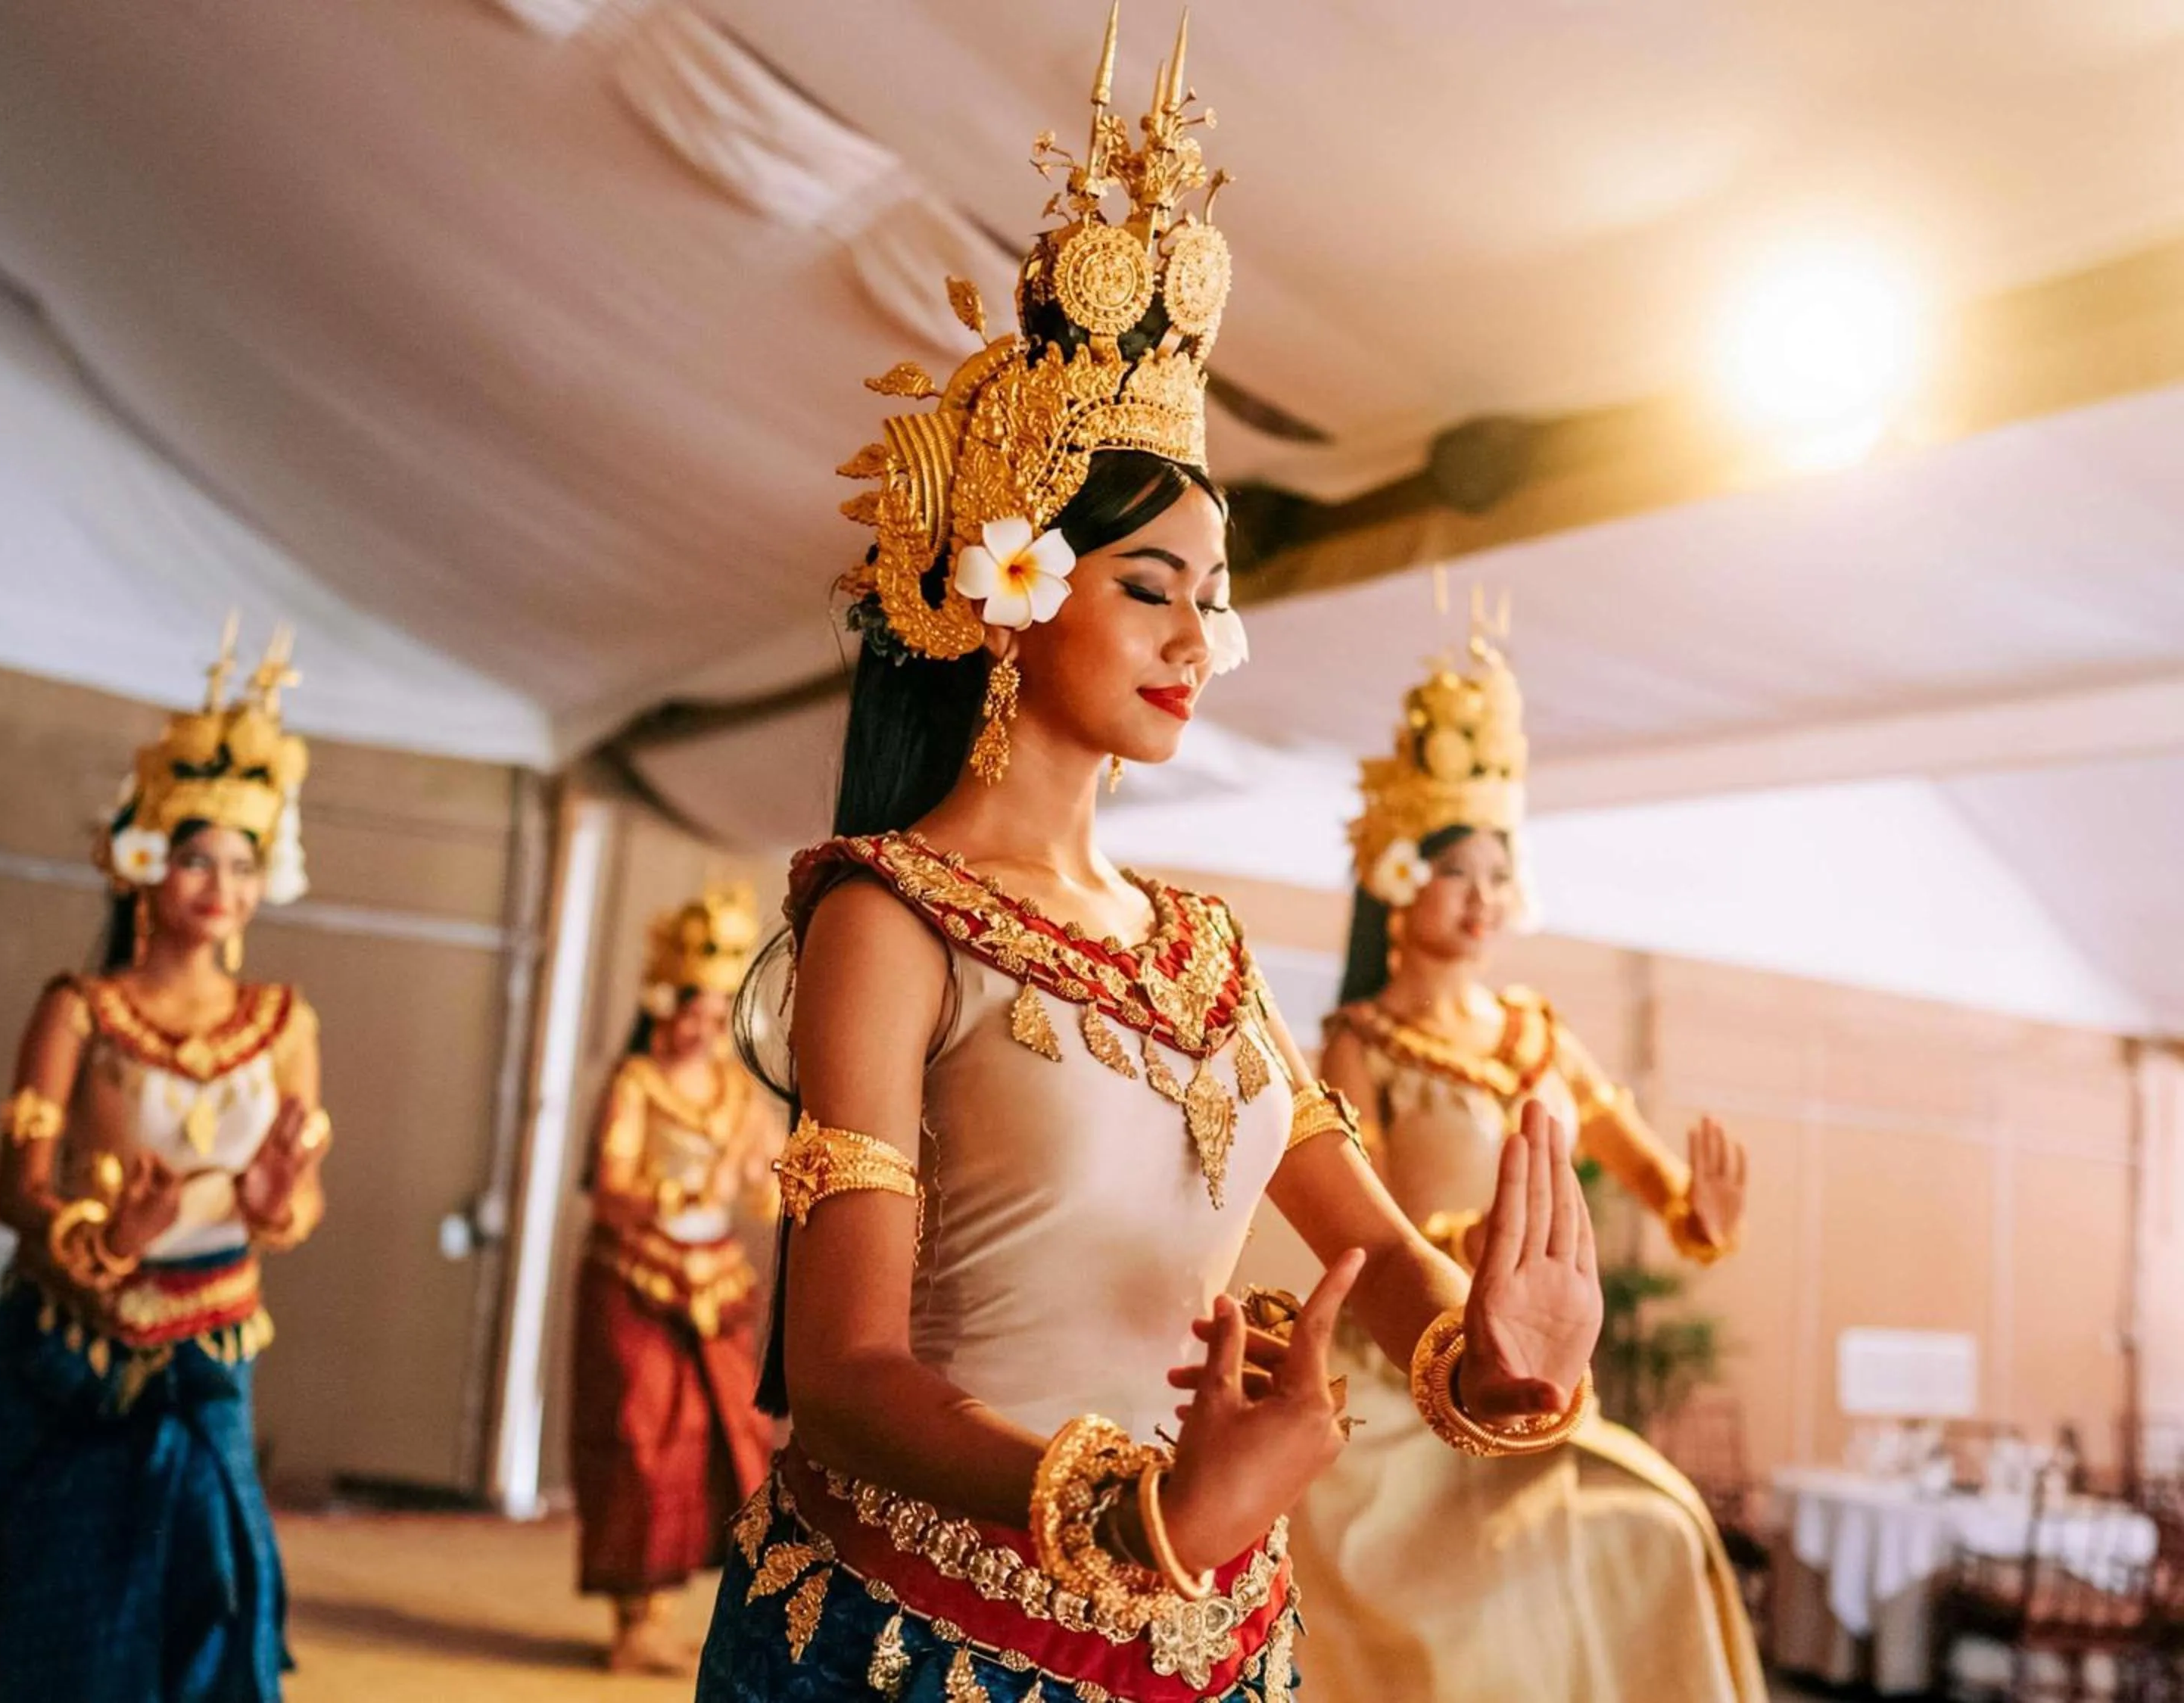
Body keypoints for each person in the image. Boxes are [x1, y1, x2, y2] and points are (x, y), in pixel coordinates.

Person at [693, 16, 1604, 1700]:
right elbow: (841, 1369)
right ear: (1007, 592)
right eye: (1149, 587)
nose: (1204, 636)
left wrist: (1489, 1364)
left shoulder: (1204, 947)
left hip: (1209, 1636)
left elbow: (1375, 1251)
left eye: (1213, 591)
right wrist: (1134, 1512)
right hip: (933, 1632)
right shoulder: (890, 919)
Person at [1286, 622, 1765, 1701]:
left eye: (1499, 874)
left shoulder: (1542, 1037)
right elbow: (1346, 1222)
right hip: (1409, 1373)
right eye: (1457, 871)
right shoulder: (1360, 1043)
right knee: (1472, 1617)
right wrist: (1459, 1253)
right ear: (1396, 880)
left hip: (1542, 1386)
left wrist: (1706, 1216)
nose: (1483, 897)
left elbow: (1665, 1197)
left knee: (1667, 1523)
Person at [0, 622, 329, 1703]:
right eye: (197, 854)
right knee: (62, 1599)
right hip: (74, 1345)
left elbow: (300, 1198)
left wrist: (274, 1205)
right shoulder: (78, 1007)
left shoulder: (285, 1019)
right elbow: (13, 1187)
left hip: (214, 1339)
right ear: (143, 863)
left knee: (215, 1590)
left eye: (244, 861)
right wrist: (104, 1241)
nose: (222, 882)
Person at [572, 887, 777, 1673]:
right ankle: (634, 1618)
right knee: (638, 1445)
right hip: (637, 1281)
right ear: (667, 1002)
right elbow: (612, 1193)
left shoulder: (737, 1090)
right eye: (696, 1004)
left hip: (716, 1282)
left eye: (721, 1007)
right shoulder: (635, 1083)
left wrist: (763, 1176)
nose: (704, 1023)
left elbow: (758, 1193)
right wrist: (692, 1192)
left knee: (716, 1447)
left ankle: (667, 1614)